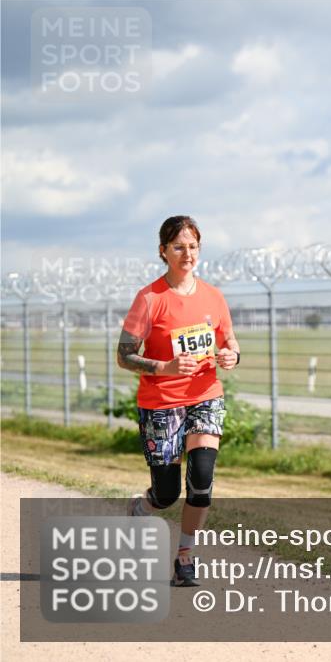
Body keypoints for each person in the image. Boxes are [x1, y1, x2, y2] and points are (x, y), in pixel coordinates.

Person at [117, 215, 240, 587]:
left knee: (201, 481)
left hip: (205, 395)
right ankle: (142, 507)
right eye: (178, 247)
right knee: (168, 492)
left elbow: (230, 342)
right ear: (163, 252)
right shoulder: (150, 298)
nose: (187, 254)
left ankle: (185, 557)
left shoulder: (213, 297)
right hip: (161, 402)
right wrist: (165, 365)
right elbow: (124, 355)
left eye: (193, 246)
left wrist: (232, 355)